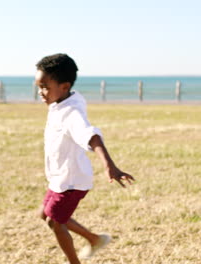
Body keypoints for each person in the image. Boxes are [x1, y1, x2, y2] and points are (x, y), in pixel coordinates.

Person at [35, 53, 135, 264]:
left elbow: (92, 136)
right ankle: (94, 239)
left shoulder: (71, 113)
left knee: (55, 222)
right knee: (45, 214)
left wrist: (110, 165)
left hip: (72, 180)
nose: (40, 93)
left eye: (45, 87)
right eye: (38, 86)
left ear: (64, 86)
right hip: (60, 177)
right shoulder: (62, 100)